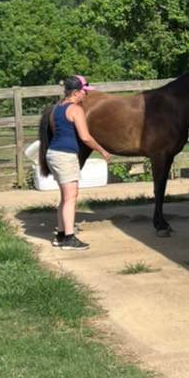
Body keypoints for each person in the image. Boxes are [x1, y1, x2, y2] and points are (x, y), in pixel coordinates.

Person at [44, 76, 112, 249]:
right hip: (65, 157)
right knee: (71, 198)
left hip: (53, 153)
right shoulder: (76, 110)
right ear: (76, 92)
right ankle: (69, 238)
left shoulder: (56, 108)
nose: (85, 95)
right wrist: (102, 150)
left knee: (65, 197)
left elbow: (54, 130)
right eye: (84, 92)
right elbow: (85, 137)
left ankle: (60, 234)